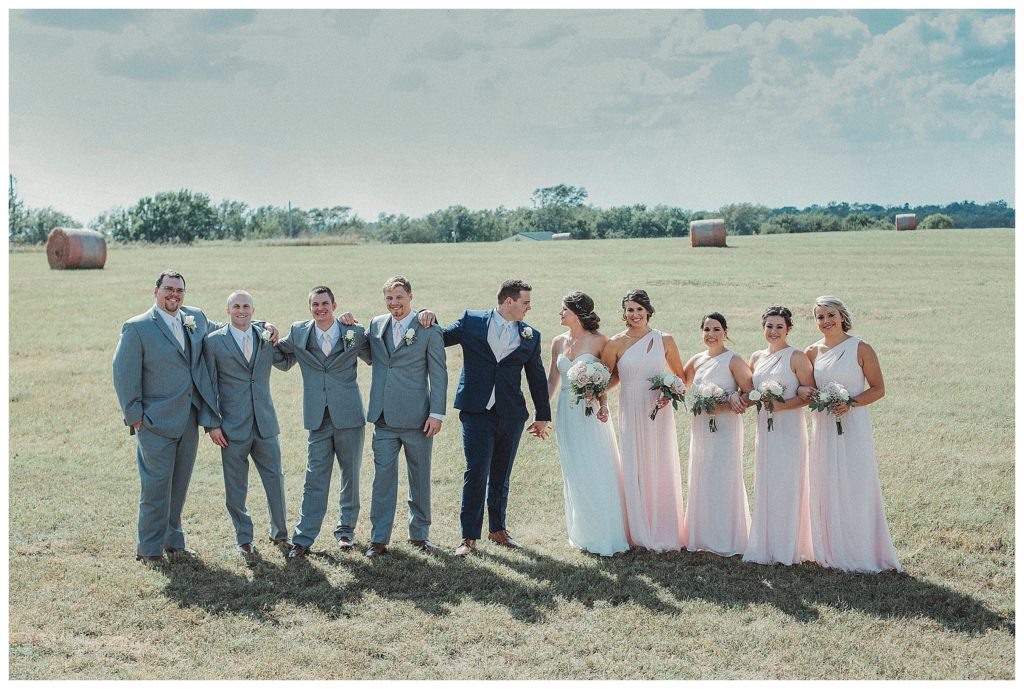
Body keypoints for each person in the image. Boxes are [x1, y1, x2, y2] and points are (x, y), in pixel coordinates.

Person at [113, 270, 277, 565]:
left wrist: (266, 326)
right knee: (155, 486)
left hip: (189, 418)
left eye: (179, 290)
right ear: (156, 291)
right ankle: (148, 549)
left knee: (179, 485)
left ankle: (173, 541)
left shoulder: (196, 318)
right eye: (168, 289)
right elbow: (123, 375)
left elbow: (231, 327)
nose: (174, 295)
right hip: (154, 421)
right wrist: (135, 417)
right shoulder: (136, 328)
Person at [442, 279, 551, 557]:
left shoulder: (530, 335)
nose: (529, 307)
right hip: (476, 410)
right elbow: (440, 338)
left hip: (510, 414)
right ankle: (468, 537)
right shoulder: (472, 321)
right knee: (476, 471)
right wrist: (423, 316)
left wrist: (543, 415)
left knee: (502, 474)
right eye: (525, 302)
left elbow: (536, 376)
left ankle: (498, 528)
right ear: (509, 301)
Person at [800, 296, 901, 572]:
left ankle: (860, 548)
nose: (826, 321)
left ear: (842, 316)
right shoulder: (811, 352)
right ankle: (828, 546)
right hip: (823, 427)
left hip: (854, 426)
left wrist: (850, 402)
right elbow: (806, 391)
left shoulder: (861, 348)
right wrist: (807, 393)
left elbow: (879, 388)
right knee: (826, 481)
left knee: (855, 483)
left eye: (830, 315)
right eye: (819, 317)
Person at [273, 286, 370, 559]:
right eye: (315, 304)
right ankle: (303, 538)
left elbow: (376, 355)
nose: (320, 309)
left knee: (350, 475)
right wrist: (265, 329)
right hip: (317, 417)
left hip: (349, 415)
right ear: (310, 308)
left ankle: (346, 531)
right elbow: (280, 359)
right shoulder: (299, 332)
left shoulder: (354, 332)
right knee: (314, 478)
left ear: (334, 305)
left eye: (325, 303)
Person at [363, 276, 447, 558]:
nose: (394, 303)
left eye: (399, 297)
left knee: (419, 479)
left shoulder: (428, 328)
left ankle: (419, 535)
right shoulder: (376, 325)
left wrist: (436, 414)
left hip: (418, 419)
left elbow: (438, 374)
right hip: (383, 419)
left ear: (410, 296)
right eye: (389, 298)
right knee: (382, 480)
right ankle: (378, 539)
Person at [202, 290, 289, 557]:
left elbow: (285, 363)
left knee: (275, 479)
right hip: (231, 426)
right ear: (227, 311)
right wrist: (212, 424)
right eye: (236, 306)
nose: (242, 310)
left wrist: (269, 327)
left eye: (246, 306)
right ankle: (244, 537)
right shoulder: (214, 342)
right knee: (235, 486)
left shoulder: (265, 335)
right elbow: (209, 385)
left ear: (253, 310)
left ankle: (281, 533)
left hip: (265, 422)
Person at [545, 292, 629, 556]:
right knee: (574, 470)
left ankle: (604, 533)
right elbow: (551, 381)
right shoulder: (558, 342)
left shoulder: (600, 341)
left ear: (577, 312)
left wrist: (602, 403)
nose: (560, 314)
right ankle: (582, 531)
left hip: (590, 413)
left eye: (563, 309)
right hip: (566, 415)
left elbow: (611, 376)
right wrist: (541, 410)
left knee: (596, 466)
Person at [601, 289, 685, 552]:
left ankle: (663, 527)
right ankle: (636, 530)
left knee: (659, 462)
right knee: (634, 464)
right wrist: (598, 397)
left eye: (639, 309)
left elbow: (680, 377)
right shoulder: (614, 343)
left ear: (648, 310)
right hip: (631, 407)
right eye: (629, 309)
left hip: (657, 410)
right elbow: (607, 380)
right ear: (623, 313)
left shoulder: (665, 340)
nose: (635, 314)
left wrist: (669, 393)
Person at [741, 306, 815, 566]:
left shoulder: (796, 357)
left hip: (790, 430)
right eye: (769, 326)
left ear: (788, 329)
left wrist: (782, 405)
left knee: (788, 482)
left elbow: (809, 394)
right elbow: (750, 394)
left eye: (779, 327)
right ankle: (766, 543)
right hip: (765, 431)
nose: (773, 331)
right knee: (767, 482)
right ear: (763, 327)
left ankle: (788, 546)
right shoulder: (756, 357)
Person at [681, 312, 752, 557]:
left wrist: (726, 403)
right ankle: (701, 535)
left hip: (725, 427)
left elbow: (751, 394)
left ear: (725, 332)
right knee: (702, 474)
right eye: (707, 329)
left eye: (716, 329)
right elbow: (681, 383)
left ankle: (726, 538)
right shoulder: (697, 360)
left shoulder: (733, 360)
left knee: (723, 476)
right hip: (701, 428)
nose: (711, 334)